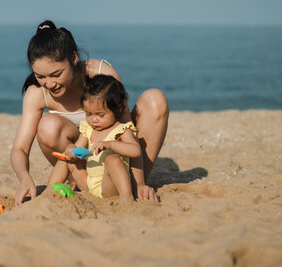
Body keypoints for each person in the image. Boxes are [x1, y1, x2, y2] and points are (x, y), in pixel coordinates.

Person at [10, 20, 169, 205]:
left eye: (56, 74)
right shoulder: (36, 93)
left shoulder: (100, 74)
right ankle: (77, 182)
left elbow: (128, 130)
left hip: (117, 159)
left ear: (74, 58)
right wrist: (24, 178)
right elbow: (19, 148)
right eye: (40, 76)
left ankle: (132, 185)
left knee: (155, 99)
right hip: (82, 169)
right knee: (48, 125)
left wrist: (140, 183)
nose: (50, 84)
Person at [48, 74, 142, 203]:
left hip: (110, 186)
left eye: (101, 115)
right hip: (89, 184)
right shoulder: (88, 128)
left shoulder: (121, 130)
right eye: (88, 113)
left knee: (112, 159)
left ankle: (127, 198)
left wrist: (111, 145)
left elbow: (136, 150)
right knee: (64, 158)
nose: (94, 119)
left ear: (118, 109)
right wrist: (71, 150)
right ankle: (48, 192)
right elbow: (78, 149)